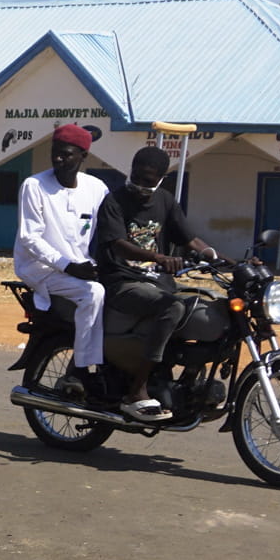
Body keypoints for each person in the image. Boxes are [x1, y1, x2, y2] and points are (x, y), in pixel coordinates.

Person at [95, 145, 218, 422]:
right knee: (172, 308)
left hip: (158, 283)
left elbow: (191, 240)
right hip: (121, 281)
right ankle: (136, 389)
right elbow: (118, 245)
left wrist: (230, 262)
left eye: (148, 180)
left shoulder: (165, 201)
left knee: (203, 308)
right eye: (137, 176)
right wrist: (158, 257)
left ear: (162, 178)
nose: (140, 184)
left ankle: (184, 380)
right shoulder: (114, 202)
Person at [13, 124, 109, 395]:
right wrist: (69, 266)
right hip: (39, 267)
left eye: (66, 154)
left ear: (83, 157)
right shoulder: (34, 185)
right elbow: (30, 239)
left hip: (80, 265)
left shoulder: (96, 188)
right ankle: (81, 370)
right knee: (93, 293)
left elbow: (109, 227)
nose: (58, 159)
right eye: (55, 153)